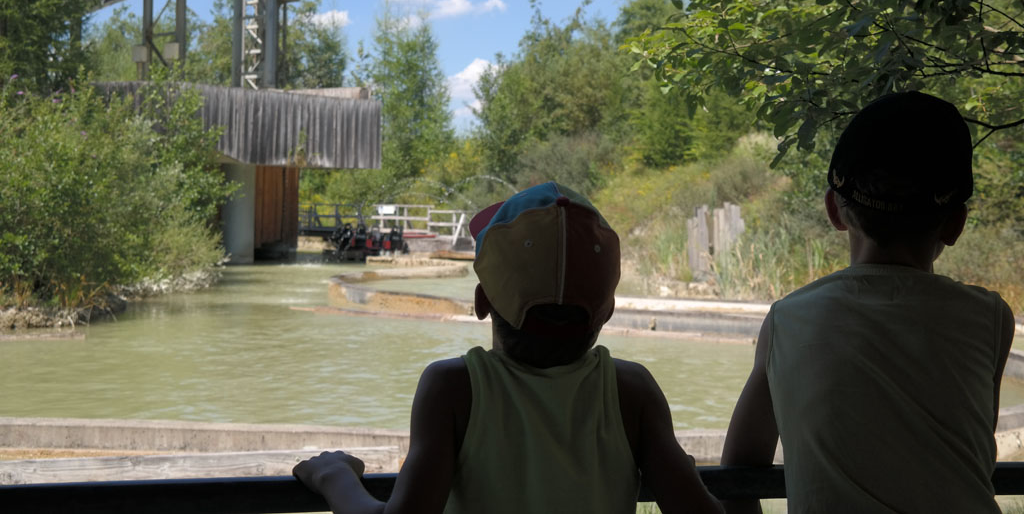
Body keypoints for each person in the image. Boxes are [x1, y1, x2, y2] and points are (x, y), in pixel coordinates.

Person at [293, 181, 723, 514]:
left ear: (482, 302)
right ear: (606, 311)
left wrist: (335, 477)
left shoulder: (453, 389)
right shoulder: (632, 393)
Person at [720, 91, 1015, 513]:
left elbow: (737, 474)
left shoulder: (787, 320)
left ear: (834, 211)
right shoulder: (990, 319)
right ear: (955, 225)